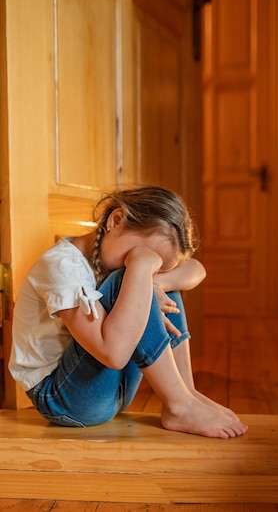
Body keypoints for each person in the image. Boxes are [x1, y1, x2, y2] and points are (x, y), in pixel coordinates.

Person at [9, 185, 248, 439]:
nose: (146, 264)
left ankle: (185, 394)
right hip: (63, 399)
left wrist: (155, 282)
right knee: (126, 282)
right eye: (142, 253)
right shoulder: (62, 266)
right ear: (116, 220)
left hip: (112, 392)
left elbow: (196, 269)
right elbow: (113, 355)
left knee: (155, 288)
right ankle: (180, 405)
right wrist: (140, 271)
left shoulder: (118, 257)